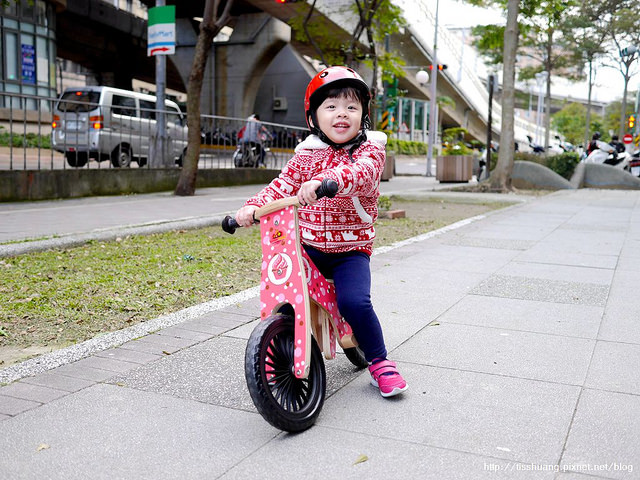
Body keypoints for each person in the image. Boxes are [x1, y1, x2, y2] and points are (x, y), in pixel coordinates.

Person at [234, 66, 408, 398]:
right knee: (285, 298)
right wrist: (250, 208)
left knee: (355, 303)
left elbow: (363, 174)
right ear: (314, 118)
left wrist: (331, 181)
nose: (341, 113)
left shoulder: (369, 150)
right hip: (309, 248)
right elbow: (281, 185)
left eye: (351, 107)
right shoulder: (306, 156)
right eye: (331, 106)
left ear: (362, 117)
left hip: (350, 252)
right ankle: (287, 349)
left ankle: (380, 361)